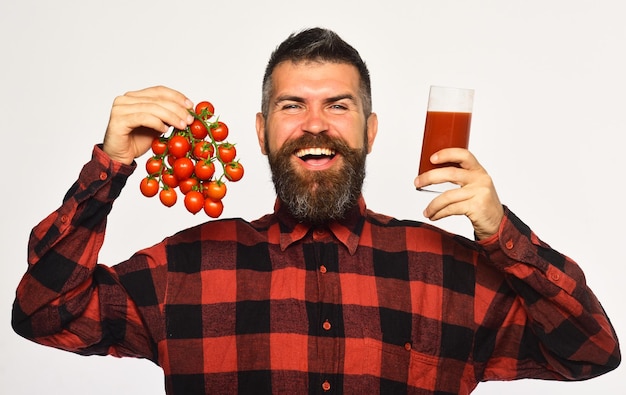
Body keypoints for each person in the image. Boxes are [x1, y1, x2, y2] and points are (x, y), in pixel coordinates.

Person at [12, 27, 620, 395]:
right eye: (291, 106)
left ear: (370, 130)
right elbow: (43, 313)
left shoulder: (453, 271)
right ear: (260, 131)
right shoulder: (187, 267)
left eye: (338, 105)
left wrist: (500, 231)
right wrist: (109, 169)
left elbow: (591, 351)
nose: (314, 125)